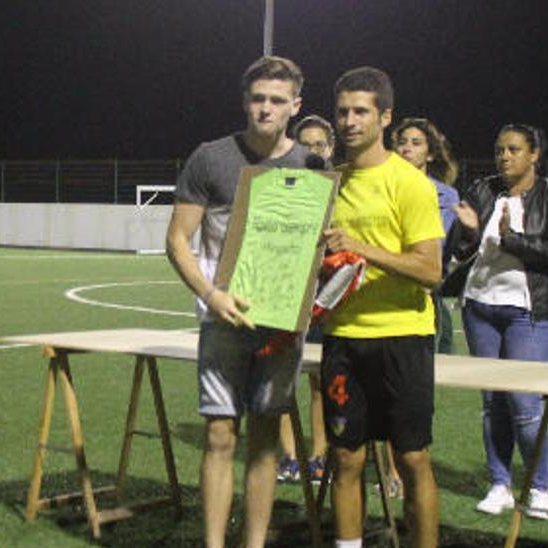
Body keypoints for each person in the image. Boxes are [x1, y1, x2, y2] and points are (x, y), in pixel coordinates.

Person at [164, 55, 315, 548]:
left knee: (266, 443)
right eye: (257, 99)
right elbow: (177, 241)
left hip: (282, 325)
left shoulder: (311, 165)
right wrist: (211, 294)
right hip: (222, 319)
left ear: (295, 105)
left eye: (276, 100)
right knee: (219, 436)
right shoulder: (210, 157)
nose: (265, 109)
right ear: (244, 101)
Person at [320, 67, 445, 548]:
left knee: (412, 459)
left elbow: (430, 270)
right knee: (346, 458)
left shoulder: (410, 183)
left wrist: (359, 248)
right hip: (344, 337)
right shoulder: (329, 185)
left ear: (384, 117)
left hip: (402, 336)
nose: (350, 121)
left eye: (361, 111)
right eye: (343, 111)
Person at [444, 124, 548, 520]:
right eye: (500, 149)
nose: (505, 156)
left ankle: (538, 489)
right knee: (493, 404)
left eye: (514, 149)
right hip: (480, 307)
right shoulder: (483, 191)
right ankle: (500, 484)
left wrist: (510, 239)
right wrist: (468, 232)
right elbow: (460, 248)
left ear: (534, 154)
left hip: (530, 310)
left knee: (524, 402)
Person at [276, 114, 336, 484]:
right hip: (287, 294)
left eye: (319, 144)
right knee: (283, 377)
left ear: (330, 148)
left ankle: (319, 453)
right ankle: (289, 455)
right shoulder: (283, 187)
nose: (313, 150)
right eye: (306, 144)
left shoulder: (342, 188)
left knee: (320, 382)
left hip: (328, 298)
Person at [393, 117, 461, 354]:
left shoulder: (444, 195)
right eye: (402, 142)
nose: (406, 148)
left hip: (424, 292)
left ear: (430, 154)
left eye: (416, 143)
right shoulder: (382, 187)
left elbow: (431, 245)